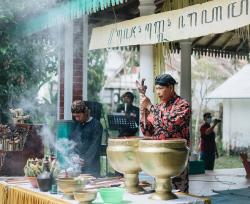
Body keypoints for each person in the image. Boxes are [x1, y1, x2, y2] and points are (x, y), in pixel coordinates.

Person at [139, 74, 191, 193]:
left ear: (171, 88)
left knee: (179, 195)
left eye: (161, 88)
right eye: (156, 89)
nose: (158, 92)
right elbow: (147, 132)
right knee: (161, 193)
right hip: (159, 158)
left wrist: (150, 107)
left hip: (176, 158)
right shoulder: (158, 107)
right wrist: (143, 110)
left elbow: (169, 125)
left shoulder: (182, 105)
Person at [70, 100, 103, 177]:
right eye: (75, 116)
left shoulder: (96, 125)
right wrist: (73, 155)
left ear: (86, 112)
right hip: (77, 166)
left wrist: (83, 159)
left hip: (91, 168)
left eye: (78, 116)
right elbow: (72, 141)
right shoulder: (76, 124)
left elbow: (94, 146)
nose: (77, 119)